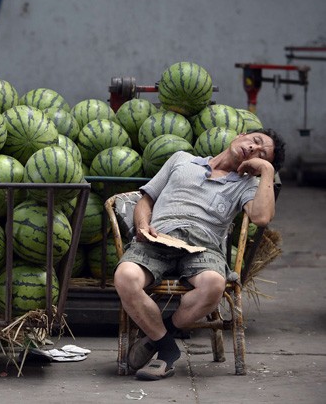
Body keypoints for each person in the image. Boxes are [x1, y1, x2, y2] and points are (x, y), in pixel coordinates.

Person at [114, 128, 286, 381]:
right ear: (241, 134)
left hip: (203, 246)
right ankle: (168, 349)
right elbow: (145, 201)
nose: (253, 149)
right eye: (254, 141)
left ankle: (156, 340)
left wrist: (268, 172)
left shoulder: (247, 185)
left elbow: (261, 217)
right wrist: (141, 226)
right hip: (159, 237)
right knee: (125, 276)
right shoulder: (181, 160)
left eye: (261, 154)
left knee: (214, 284)